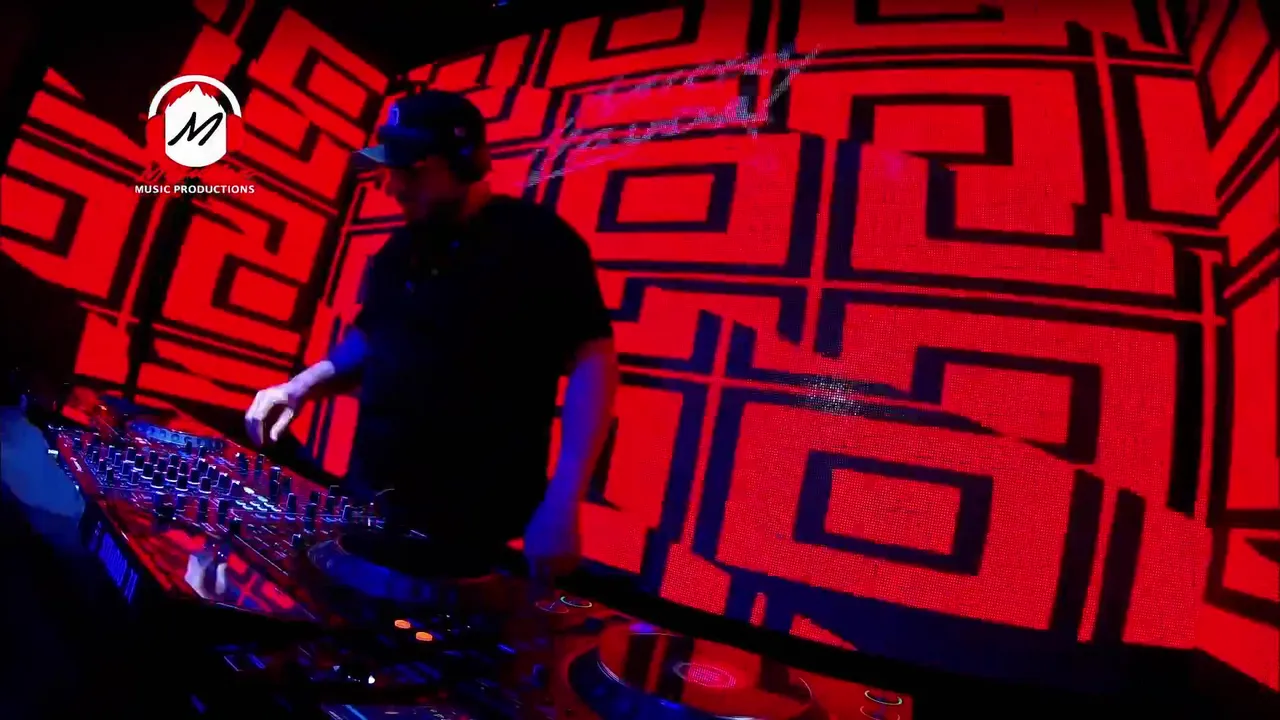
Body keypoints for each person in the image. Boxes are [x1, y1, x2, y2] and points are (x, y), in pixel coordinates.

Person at [244, 91, 618, 582]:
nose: (391, 186)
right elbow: (372, 339)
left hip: (471, 535)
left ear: (464, 163)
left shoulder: (538, 241)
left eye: (410, 170)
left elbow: (593, 361)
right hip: (368, 507)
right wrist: (299, 387)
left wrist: (564, 501)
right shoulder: (398, 251)